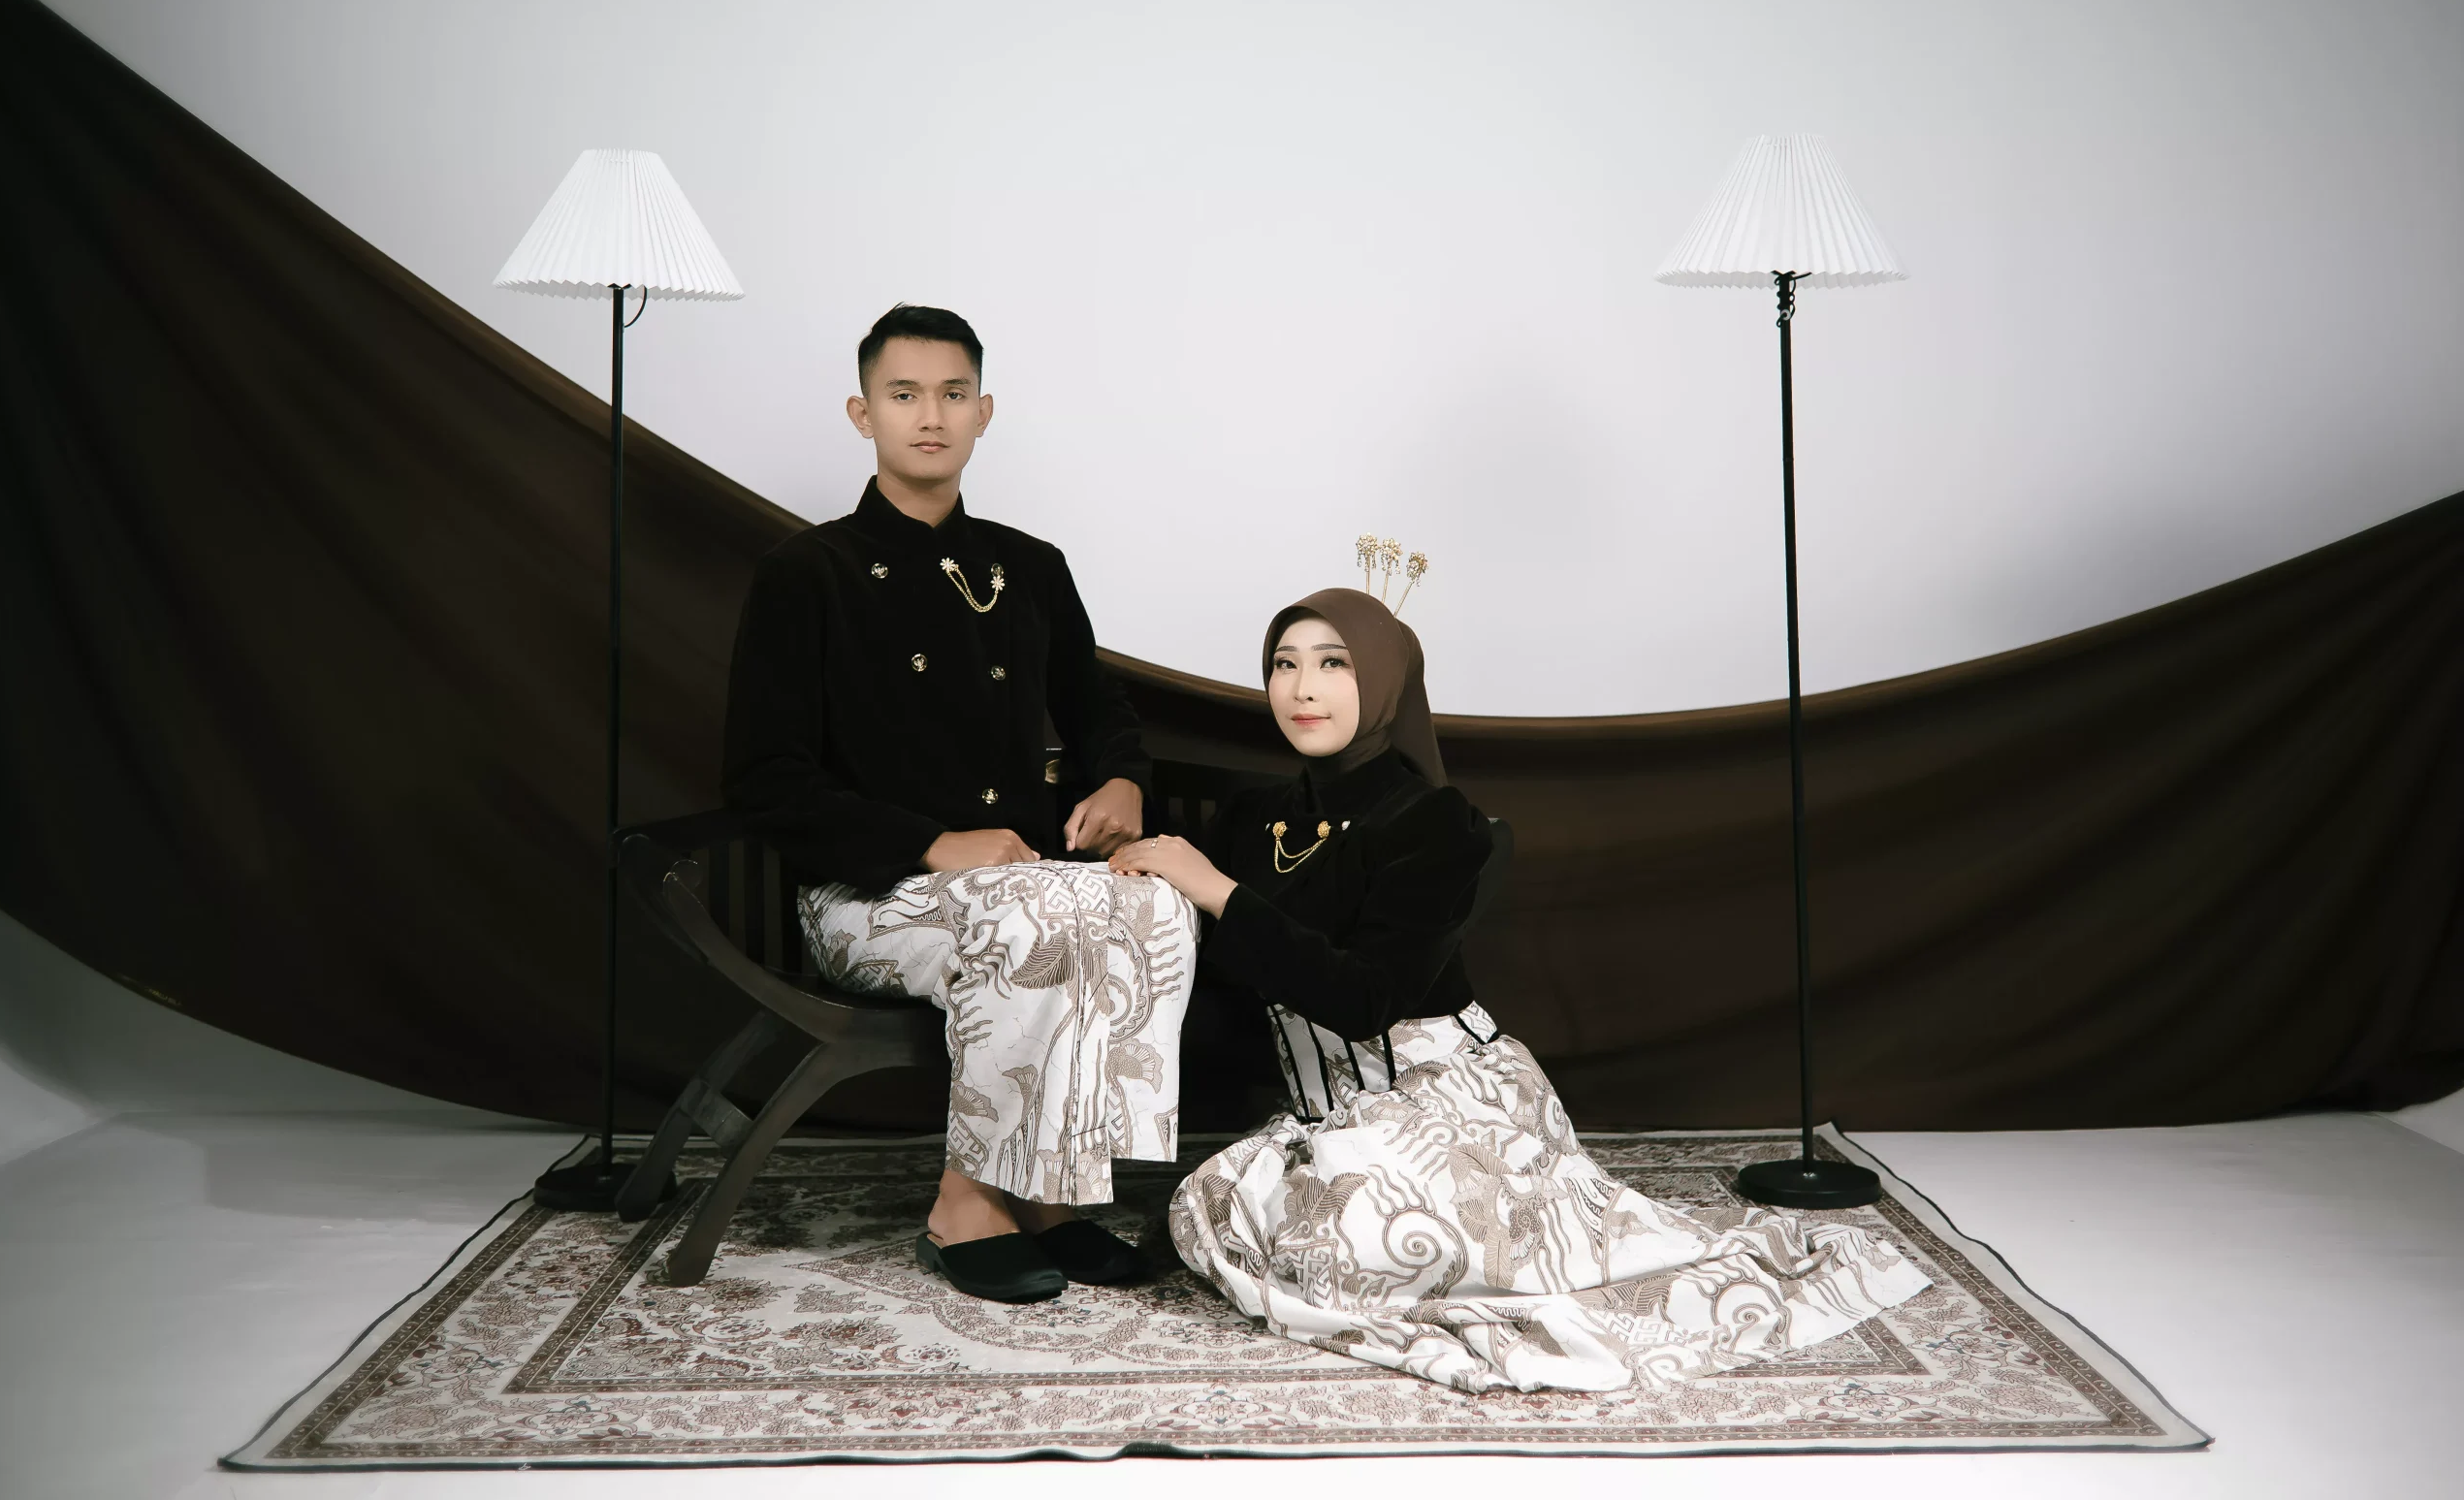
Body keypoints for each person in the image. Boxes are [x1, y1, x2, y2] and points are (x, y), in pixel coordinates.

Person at [1110, 588, 1929, 1393]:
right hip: (1324, 1109)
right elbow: (1220, 968)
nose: (1302, 687)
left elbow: (1366, 1000)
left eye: (1334, 663)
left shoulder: (1433, 822)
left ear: (1385, 682)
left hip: (1444, 1095)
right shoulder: (1254, 818)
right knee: (1216, 1211)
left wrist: (1217, 891)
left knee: (1365, 1244)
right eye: (1284, 664)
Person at [723, 304, 1193, 1304]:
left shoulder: (1032, 566)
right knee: (1035, 917)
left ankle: (1057, 1190)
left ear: (984, 411)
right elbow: (766, 779)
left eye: (951, 393)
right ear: (862, 413)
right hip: (864, 896)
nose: (929, 415)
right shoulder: (805, 574)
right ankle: (967, 1201)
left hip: (1021, 881)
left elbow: (1101, 712)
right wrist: (934, 841)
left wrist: (1121, 778)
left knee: (1156, 902)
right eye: (903, 394)